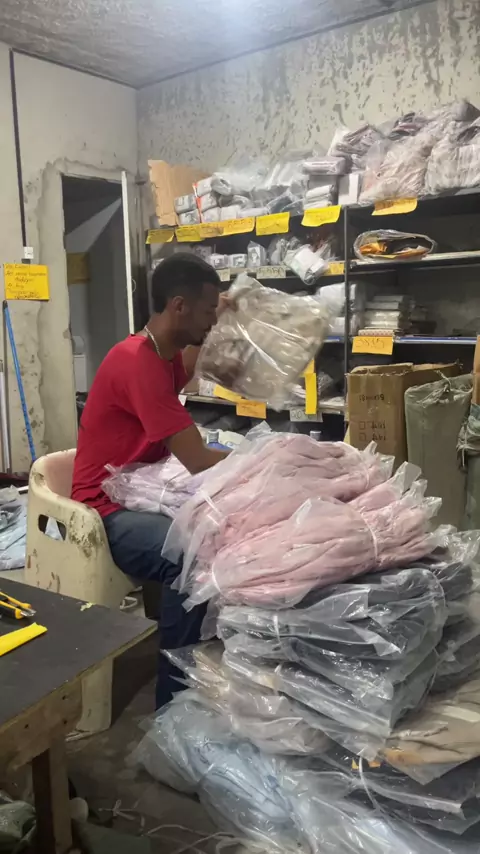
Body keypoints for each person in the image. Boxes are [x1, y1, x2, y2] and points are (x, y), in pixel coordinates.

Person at [72, 253, 230, 707]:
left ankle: (194, 657)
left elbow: (192, 365)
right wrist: (265, 459)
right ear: (179, 306)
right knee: (190, 554)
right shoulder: (137, 363)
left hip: (137, 487)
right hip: (103, 507)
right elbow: (197, 459)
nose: (211, 322)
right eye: (207, 311)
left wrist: (224, 314)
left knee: (222, 526)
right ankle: (174, 702)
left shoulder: (162, 354)